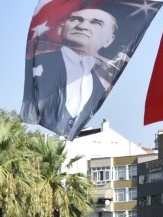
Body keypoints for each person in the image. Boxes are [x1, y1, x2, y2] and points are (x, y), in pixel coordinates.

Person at [21, 8, 116, 139]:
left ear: (109, 40)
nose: (82, 26)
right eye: (76, 19)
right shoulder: (40, 63)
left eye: (96, 23)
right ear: (61, 28)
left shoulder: (99, 85)